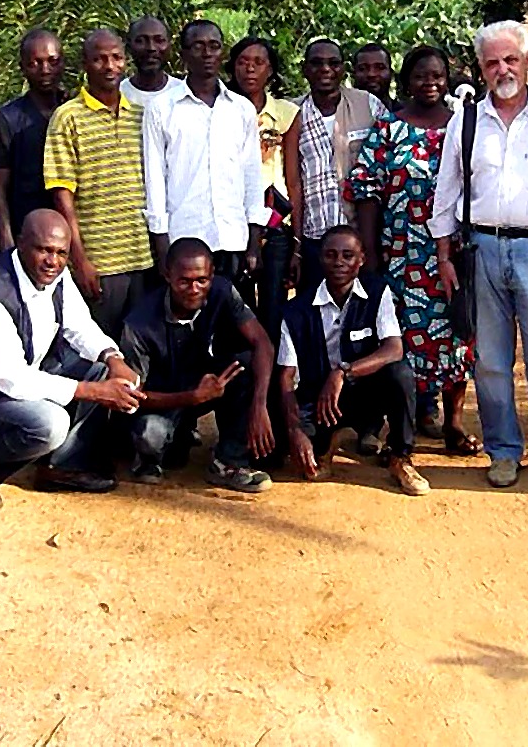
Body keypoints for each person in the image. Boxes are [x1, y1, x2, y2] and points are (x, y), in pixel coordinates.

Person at [431, 20, 528, 490]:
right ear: (481, 69)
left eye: (511, 60)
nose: (503, 69)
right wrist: (443, 255)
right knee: (492, 361)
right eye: (492, 62)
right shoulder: (467, 121)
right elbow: (448, 190)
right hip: (480, 249)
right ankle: (503, 451)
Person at [0, 210, 143, 513]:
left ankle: (61, 466)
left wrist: (114, 358)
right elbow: (9, 377)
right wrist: (92, 391)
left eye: (61, 253)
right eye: (44, 250)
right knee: (49, 425)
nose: (53, 261)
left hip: (14, 375)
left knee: (102, 371)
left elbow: (79, 326)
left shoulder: (55, 275)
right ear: (20, 244)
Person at [349, 45, 481, 456]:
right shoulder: (389, 129)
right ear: (406, 81)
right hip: (402, 253)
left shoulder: (464, 127)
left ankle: (454, 424)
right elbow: (367, 191)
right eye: (421, 76)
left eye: (438, 75)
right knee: (402, 337)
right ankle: (402, 425)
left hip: (455, 253)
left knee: (458, 335)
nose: (431, 83)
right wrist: (370, 251)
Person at [275, 226, 429, 496]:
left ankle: (400, 458)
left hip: (365, 391)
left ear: (361, 260)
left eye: (348, 255)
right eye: (331, 255)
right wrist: (294, 429)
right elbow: (286, 377)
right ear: (320, 259)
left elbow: (394, 348)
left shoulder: (377, 291)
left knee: (400, 375)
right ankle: (329, 440)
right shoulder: (295, 311)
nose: (339, 263)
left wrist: (343, 372)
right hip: (321, 400)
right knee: (305, 466)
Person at [119, 238, 276, 494]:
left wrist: (259, 405)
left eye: (202, 280)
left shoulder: (223, 291)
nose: (194, 288)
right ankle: (148, 459)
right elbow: (134, 395)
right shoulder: (139, 324)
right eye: (184, 281)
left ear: (212, 275)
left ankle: (228, 462)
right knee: (151, 435)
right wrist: (191, 397)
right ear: (167, 275)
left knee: (246, 364)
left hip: (205, 384)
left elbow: (262, 342)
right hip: (165, 397)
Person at [43, 28, 153, 337]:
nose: (109, 66)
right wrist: (79, 259)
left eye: (116, 58)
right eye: (99, 59)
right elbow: (62, 194)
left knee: (138, 349)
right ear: (85, 64)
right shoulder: (67, 117)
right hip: (100, 262)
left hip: (142, 257)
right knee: (100, 350)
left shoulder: (141, 115)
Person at [143, 19, 264, 281]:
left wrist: (254, 241)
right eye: (198, 47)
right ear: (184, 54)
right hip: (184, 240)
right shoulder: (162, 108)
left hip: (233, 239)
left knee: (233, 318)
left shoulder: (241, 109)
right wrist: (162, 243)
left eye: (214, 46)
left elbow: (252, 177)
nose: (207, 54)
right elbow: (155, 180)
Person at [283, 38, 388, 294]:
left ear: (343, 69)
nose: (325, 70)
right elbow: (292, 182)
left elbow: (386, 167)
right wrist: (296, 246)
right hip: (315, 239)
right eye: (317, 63)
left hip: (362, 237)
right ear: (305, 69)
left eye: (333, 63)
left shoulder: (368, 105)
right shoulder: (291, 113)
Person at [226, 35, 298, 336]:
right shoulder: (221, 108)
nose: (250, 69)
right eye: (243, 62)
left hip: (276, 220)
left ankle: (273, 378)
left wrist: (298, 241)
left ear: (271, 70)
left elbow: (293, 177)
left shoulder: (286, 113)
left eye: (258, 63)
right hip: (233, 220)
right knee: (236, 307)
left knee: (273, 305)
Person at [0, 28, 65, 252]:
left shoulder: (73, 111)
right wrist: (6, 238)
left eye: (52, 61)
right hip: (28, 231)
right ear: (22, 67)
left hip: (70, 230)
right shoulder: (7, 119)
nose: (45, 70)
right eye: (35, 63)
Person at [120, 15, 183, 108]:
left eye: (159, 40)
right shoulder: (118, 94)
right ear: (129, 47)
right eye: (141, 41)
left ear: (170, 45)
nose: (151, 48)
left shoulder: (183, 94)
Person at [352, 43, 399, 114]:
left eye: (380, 67)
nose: (371, 74)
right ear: (353, 74)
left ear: (391, 73)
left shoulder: (406, 115)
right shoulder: (340, 114)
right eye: (363, 68)